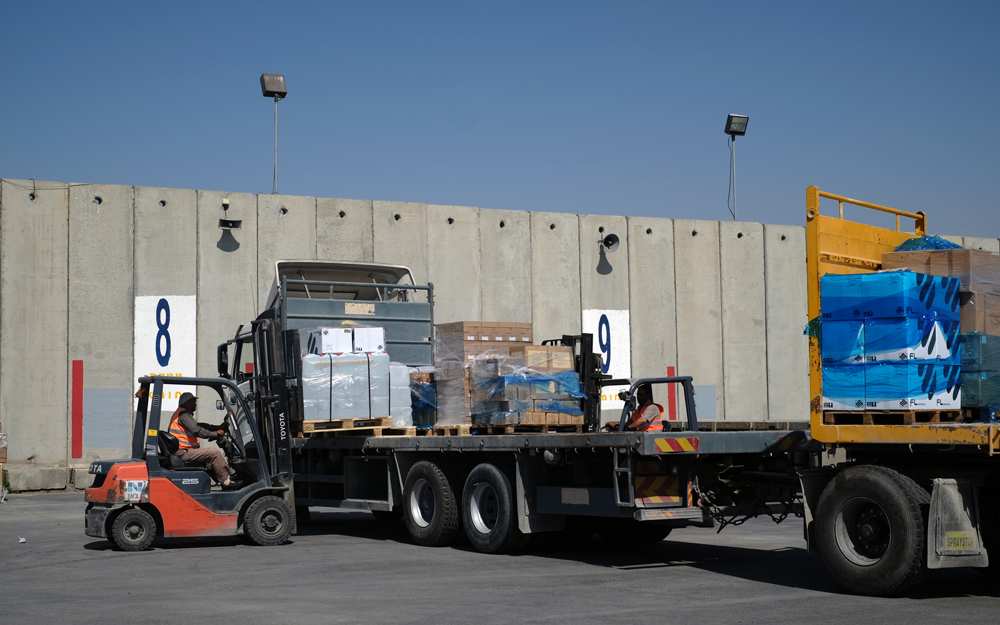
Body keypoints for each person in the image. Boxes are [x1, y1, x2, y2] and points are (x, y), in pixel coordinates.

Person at [167, 392, 234, 488]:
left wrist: (217, 427)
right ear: (187, 403)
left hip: (182, 451)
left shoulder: (182, 415)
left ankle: (217, 479)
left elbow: (200, 426)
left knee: (210, 457)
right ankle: (226, 481)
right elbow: (197, 431)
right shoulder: (184, 415)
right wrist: (215, 434)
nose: (195, 404)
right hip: (183, 453)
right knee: (214, 453)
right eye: (193, 402)